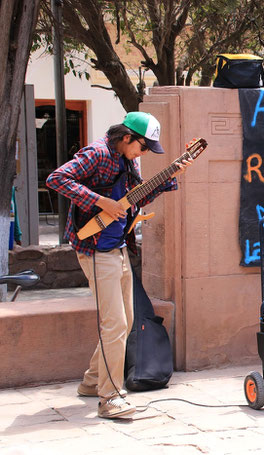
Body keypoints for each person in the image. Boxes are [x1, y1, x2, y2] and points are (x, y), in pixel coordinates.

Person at [46, 112, 192, 418]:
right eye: (143, 145)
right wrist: (100, 202)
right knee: (115, 324)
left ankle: (91, 382)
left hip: (118, 246)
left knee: (123, 321)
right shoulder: (97, 153)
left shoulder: (129, 160)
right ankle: (110, 397)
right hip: (95, 247)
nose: (145, 152)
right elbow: (56, 179)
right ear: (126, 137)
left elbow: (133, 200)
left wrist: (171, 174)